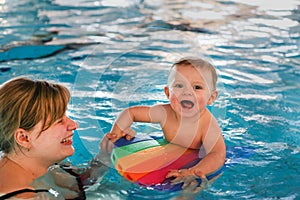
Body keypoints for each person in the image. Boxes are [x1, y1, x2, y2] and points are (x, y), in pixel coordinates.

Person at [101, 57, 226, 192]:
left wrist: (193, 171)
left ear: (211, 98)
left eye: (197, 87)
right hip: (167, 149)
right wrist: (118, 132)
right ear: (167, 92)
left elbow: (217, 154)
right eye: (179, 85)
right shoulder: (164, 112)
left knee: (191, 188)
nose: (187, 92)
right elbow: (131, 113)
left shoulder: (207, 124)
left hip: (198, 158)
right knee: (127, 176)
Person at [0, 77, 89, 199]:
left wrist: (106, 155)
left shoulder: (39, 162)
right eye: (59, 121)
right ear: (24, 138)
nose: (74, 124)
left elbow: (79, 182)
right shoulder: (23, 197)